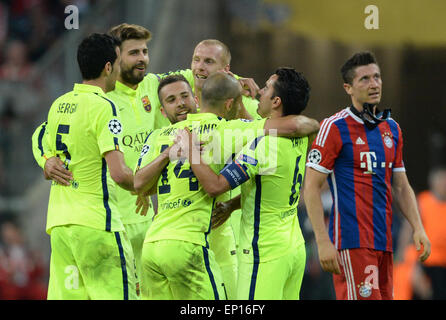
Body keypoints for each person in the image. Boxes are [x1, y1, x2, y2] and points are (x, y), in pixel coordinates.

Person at [134, 72, 319, 299]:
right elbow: (293, 127)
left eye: (184, 96)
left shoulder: (160, 137)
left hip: (152, 245)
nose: (181, 103)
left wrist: (159, 172)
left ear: (197, 99)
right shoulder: (228, 131)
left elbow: (139, 183)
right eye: (172, 100)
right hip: (200, 245)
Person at [303, 51, 431, 300]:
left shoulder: (391, 128)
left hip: (384, 243)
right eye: (364, 79)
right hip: (353, 242)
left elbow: (401, 186)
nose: (374, 84)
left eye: (377, 77)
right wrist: (322, 241)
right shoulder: (334, 127)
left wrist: (418, 227)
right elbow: (311, 187)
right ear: (348, 88)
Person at [40, 33, 139, 299]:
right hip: (98, 226)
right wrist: (144, 185)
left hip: (60, 227)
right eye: (117, 63)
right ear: (109, 67)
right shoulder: (103, 106)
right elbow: (119, 173)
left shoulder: (58, 105)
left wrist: (46, 160)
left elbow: (42, 139)